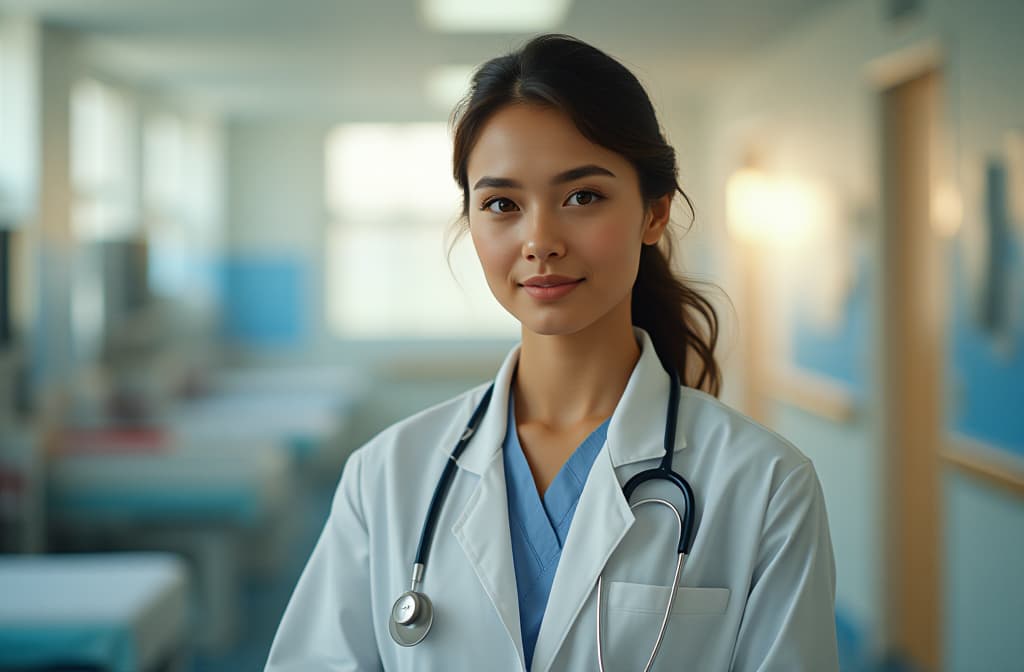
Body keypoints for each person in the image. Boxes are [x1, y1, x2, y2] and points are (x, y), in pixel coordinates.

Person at [266, 34, 838, 671]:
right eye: (502, 204)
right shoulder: (387, 476)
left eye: (582, 197)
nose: (539, 240)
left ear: (654, 213)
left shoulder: (763, 484)